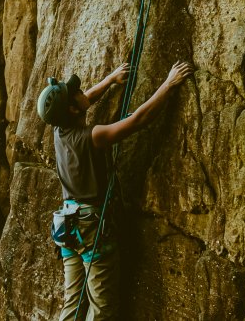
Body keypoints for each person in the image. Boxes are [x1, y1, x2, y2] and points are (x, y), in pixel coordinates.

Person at [37, 60, 193, 321]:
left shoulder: (59, 129)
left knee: (73, 304)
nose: (82, 91)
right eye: (75, 93)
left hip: (67, 226)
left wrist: (110, 80)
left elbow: (85, 98)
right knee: (102, 309)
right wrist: (169, 83)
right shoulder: (91, 137)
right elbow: (138, 120)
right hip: (89, 227)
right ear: (73, 109)